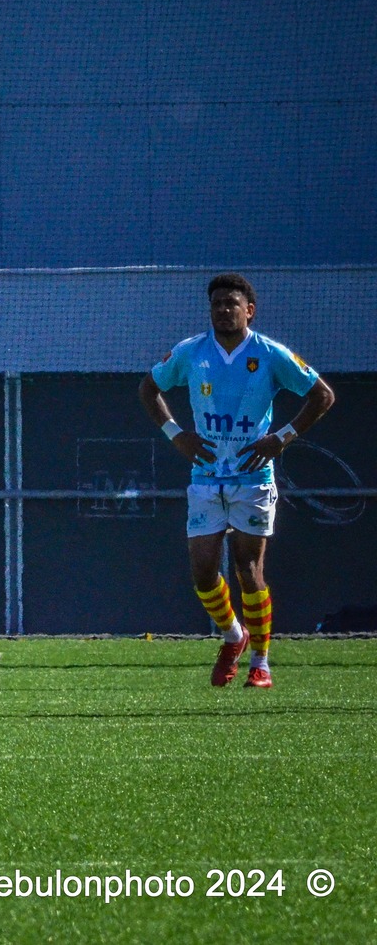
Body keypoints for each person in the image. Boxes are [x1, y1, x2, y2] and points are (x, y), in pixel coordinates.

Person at [138, 272, 334, 689]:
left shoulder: (270, 353)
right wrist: (177, 436)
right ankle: (233, 636)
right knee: (203, 573)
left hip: (252, 476)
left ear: (250, 310)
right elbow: (148, 388)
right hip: (206, 476)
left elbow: (323, 395)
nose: (223, 311)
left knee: (248, 570)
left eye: (231, 304)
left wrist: (282, 437)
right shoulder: (191, 352)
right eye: (217, 305)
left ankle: (261, 662)